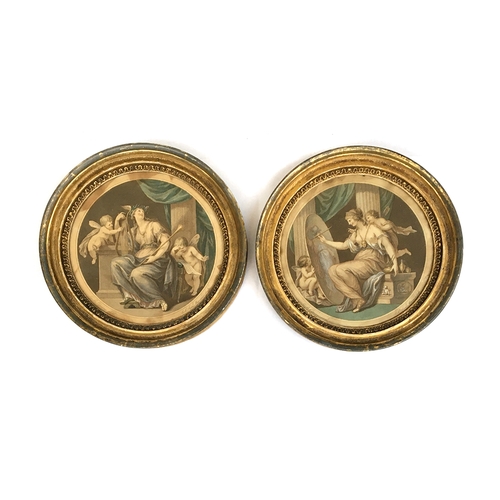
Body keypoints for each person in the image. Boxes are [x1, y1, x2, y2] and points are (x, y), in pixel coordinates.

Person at [318, 208, 398, 313]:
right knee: (332, 270)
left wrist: (395, 263)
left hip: (373, 260)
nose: (349, 223)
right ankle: (357, 298)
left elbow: (387, 244)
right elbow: (343, 245)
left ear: (356, 217)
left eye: (350, 220)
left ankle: (357, 299)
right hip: (360, 260)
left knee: (341, 269)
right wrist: (325, 241)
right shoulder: (355, 233)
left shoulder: (372, 228)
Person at [110, 206, 177, 311]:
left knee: (136, 274)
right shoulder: (133, 231)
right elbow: (121, 242)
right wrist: (117, 222)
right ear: (133, 214)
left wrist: (155, 257)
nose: (141, 211)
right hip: (138, 260)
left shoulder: (153, 225)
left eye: (142, 210)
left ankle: (158, 299)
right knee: (115, 263)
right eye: (138, 210)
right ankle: (130, 295)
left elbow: (166, 243)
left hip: (157, 260)